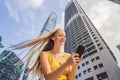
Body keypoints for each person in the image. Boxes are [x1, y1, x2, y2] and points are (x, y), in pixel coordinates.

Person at [11, 28, 83, 80]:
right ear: (53, 38)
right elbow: (48, 77)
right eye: (60, 35)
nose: (63, 38)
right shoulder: (44, 54)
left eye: (65, 37)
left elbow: (70, 79)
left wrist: (74, 66)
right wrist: (66, 64)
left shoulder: (68, 56)